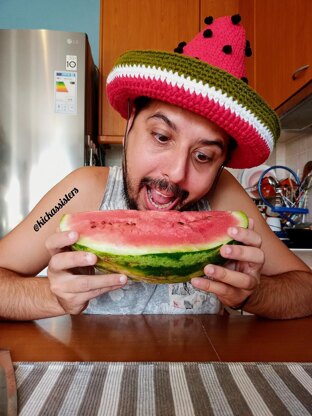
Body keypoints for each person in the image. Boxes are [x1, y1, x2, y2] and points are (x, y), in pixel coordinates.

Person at [0, 15, 311, 321]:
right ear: (131, 120)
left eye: (203, 156)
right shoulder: (80, 191)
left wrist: (255, 294)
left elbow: (305, 288)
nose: (176, 173)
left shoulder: (225, 196)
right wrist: (53, 296)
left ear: (222, 163)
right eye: (162, 137)